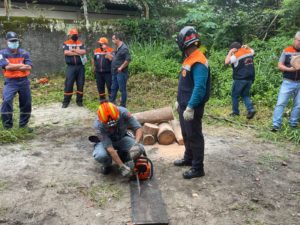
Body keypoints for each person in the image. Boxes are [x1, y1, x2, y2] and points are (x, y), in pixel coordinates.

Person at [173, 26, 210, 179]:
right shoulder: (190, 58)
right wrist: (179, 101)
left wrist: (190, 106)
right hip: (184, 104)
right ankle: (188, 158)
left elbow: (200, 87)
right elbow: (185, 84)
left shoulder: (199, 61)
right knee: (186, 134)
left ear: (184, 42)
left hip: (192, 107)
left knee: (194, 135)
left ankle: (198, 168)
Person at [93, 101, 144, 176]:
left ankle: (126, 159)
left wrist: (136, 144)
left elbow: (138, 128)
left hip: (122, 138)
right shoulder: (98, 125)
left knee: (140, 148)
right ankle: (107, 164)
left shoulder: (124, 112)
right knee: (100, 155)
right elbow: (110, 148)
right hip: (106, 143)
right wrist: (121, 166)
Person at [0, 31, 33, 131]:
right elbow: (7, 67)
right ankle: (7, 127)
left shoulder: (24, 53)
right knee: (6, 101)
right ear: (7, 42)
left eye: (15, 41)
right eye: (12, 41)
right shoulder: (2, 53)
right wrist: (21, 65)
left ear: (18, 41)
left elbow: (29, 66)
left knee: (26, 103)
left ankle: (23, 126)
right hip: (10, 82)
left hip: (24, 81)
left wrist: (12, 66)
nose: (14, 43)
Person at [271, 31, 300, 131]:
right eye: (299, 41)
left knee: (298, 105)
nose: (299, 43)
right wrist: (290, 69)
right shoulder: (287, 50)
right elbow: (280, 65)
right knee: (281, 103)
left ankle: (293, 124)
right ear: (295, 39)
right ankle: (276, 125)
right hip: (288, 82)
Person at [225, 42, 256, 119]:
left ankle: (235, 112)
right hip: (250, 78)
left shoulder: (236, 55)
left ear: (234, 49)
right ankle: (251, 109)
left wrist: (229, 53)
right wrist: (247, 47)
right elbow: (253, 51)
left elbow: (226, 62)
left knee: (234, 95)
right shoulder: (249, 52)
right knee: (245, 95)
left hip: (240, 79)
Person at [62, 28, 86, 108]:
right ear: (70, 35)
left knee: (80, 84)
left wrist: (73, 50)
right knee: (69, 84)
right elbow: (66, 53)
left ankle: (79, 101)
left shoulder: (80, 43)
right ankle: (66, 102)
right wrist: (77, 52)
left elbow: (83, 52)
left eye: (76, 34)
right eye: (74, 35)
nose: (75, 36)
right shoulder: (66, 43)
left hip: (80, 67)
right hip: (71, 67)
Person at [110, 33, 131, 108]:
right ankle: (111, 103)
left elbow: (128, 60)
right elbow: (117, 58)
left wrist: (121, 67)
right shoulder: (118, 48)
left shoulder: (124, 48)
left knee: (122, 89)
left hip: (121, 72)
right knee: (113, 88)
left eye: (113, 39)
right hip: (115, 72)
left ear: (118, 39)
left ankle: (123, 105)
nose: (112, 40)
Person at [92, 37, 114, 101]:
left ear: (105, 44)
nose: (100, 45)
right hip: (98, 72)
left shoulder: (110, 50)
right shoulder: (96, 51)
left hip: (108, 72)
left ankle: (111, 100)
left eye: (101, 43)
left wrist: (106, 50)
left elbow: (112, 59)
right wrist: (93, 67)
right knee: (100, 87)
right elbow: (94, 59)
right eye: (100, 43)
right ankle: (102, 100)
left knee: (110, 86)